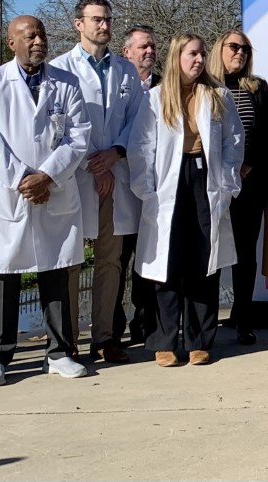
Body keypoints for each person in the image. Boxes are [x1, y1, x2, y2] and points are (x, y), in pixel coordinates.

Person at [0, 15, 91, 386]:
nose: (38, 40)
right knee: (2, 274)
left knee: (55, 271)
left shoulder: (67, 83)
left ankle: (58, 352)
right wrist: (24, 179)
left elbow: (78, 136)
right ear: (12, 43)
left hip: (53, 189)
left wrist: (47, 176)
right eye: (29, 35)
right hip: (10, 191)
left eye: (42, 34)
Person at [131, 33, 243, 367]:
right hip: (167, 183)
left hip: (205, 178)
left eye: (202, 53)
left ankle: (199, 340)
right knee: (167, 264)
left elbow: (233, 143)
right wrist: (146, 190)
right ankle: (164, 341)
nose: (198, 59)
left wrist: (227, 185)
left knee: (202, 260)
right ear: (177, 56)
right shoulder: (155, 98)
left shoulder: (218, 96)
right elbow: (140, 146)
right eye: (192, 53)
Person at [51, 0, 146, 364]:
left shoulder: (125, 71)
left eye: (107, 20)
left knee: (111, 259)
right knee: (71, 258)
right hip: (77, 174)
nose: (103, 26)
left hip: (115, 173)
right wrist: (95, 162)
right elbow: (59, 124)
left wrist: (116, 152)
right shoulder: (61, 69)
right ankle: (70, 339)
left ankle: (105, 336)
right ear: (79, 24)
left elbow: (138, 120)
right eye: (96, 20)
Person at [207, 29, 268, 346]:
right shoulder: (203, 86)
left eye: (246, 49)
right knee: (210, 251)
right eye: (234, 46)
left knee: (244, 254)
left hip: (250, 183)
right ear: (218, 49)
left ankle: (243, 319)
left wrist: (248, 165)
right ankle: (205, 321)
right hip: (210, 183)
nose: (240, 52)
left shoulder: (257, 87)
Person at [115, 25, 160, 344]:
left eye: (153, 47)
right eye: (143, 46)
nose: (149, 51)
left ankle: (145, 323)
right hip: (118, 185)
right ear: (126, 51)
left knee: (149, 258)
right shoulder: (117, 88)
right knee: (116, 260)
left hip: (155, 187)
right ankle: (111, 325)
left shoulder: (166, 87)